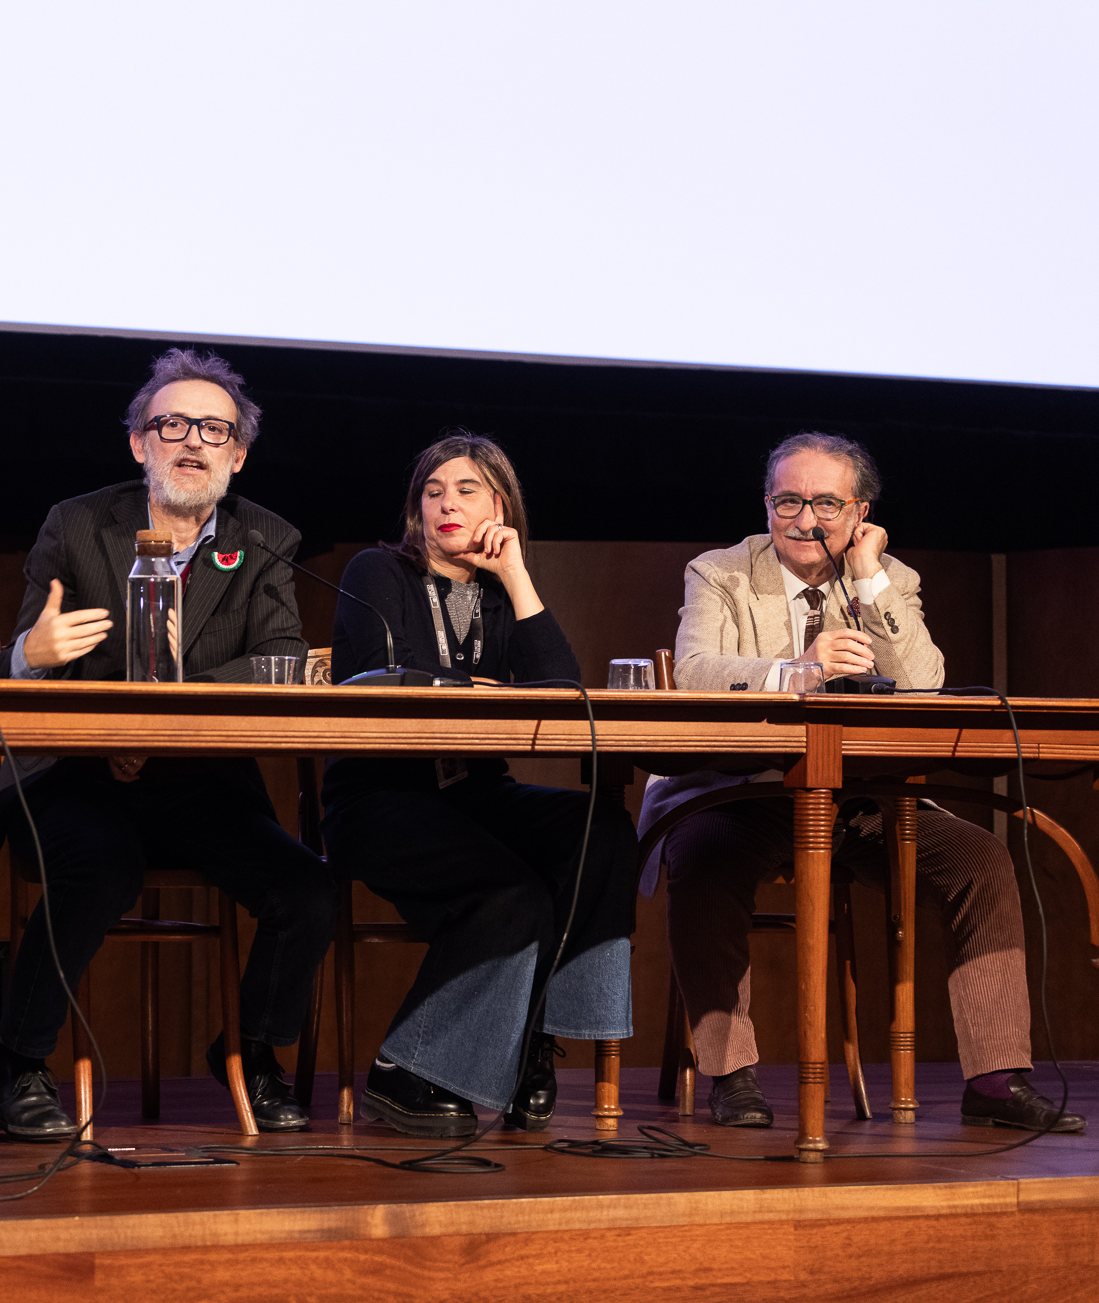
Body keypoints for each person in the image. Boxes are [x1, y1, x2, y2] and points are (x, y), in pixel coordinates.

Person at [644, 431, 1083, 1133]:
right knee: (702, 853)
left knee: (981, 861)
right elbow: (695, 671)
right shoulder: (721, 572)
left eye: (826, 503)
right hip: (743, 791)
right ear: (767, 505)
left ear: (860, 513)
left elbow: (925, 685)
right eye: (788, 501)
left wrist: (871, 578)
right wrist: (800, 669)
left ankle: (996, 1080)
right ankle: (731, 1074)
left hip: (861, 799)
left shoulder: (888, 579)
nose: (805, 520)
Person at [0, 347, 335, 1140]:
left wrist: (164, 720)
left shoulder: (266, 538)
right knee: (101, 867)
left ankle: (249, 1050)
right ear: (140, 443)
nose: (193, 440)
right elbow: (25, 671)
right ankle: (15, 1062)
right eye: (173, 424)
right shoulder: (77, 526)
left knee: (308, 889)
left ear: (238, 456)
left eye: (215, 429)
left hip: (201, 783)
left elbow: (280, 662)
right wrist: (30, 657)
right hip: (78, 777)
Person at [320, 433, 638, 1136]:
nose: (446, 505)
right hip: (379, 799)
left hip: (474, 796)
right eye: (433, 492)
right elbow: (386, 680)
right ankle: (405, 1067)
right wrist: (485, 688)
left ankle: (534, 1043)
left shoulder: (499, 593)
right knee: (512, 892)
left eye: (466, 491)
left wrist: (517, 576)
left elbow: (560, 690)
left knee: (603, 831)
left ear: (501, 507)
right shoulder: (378, 571)